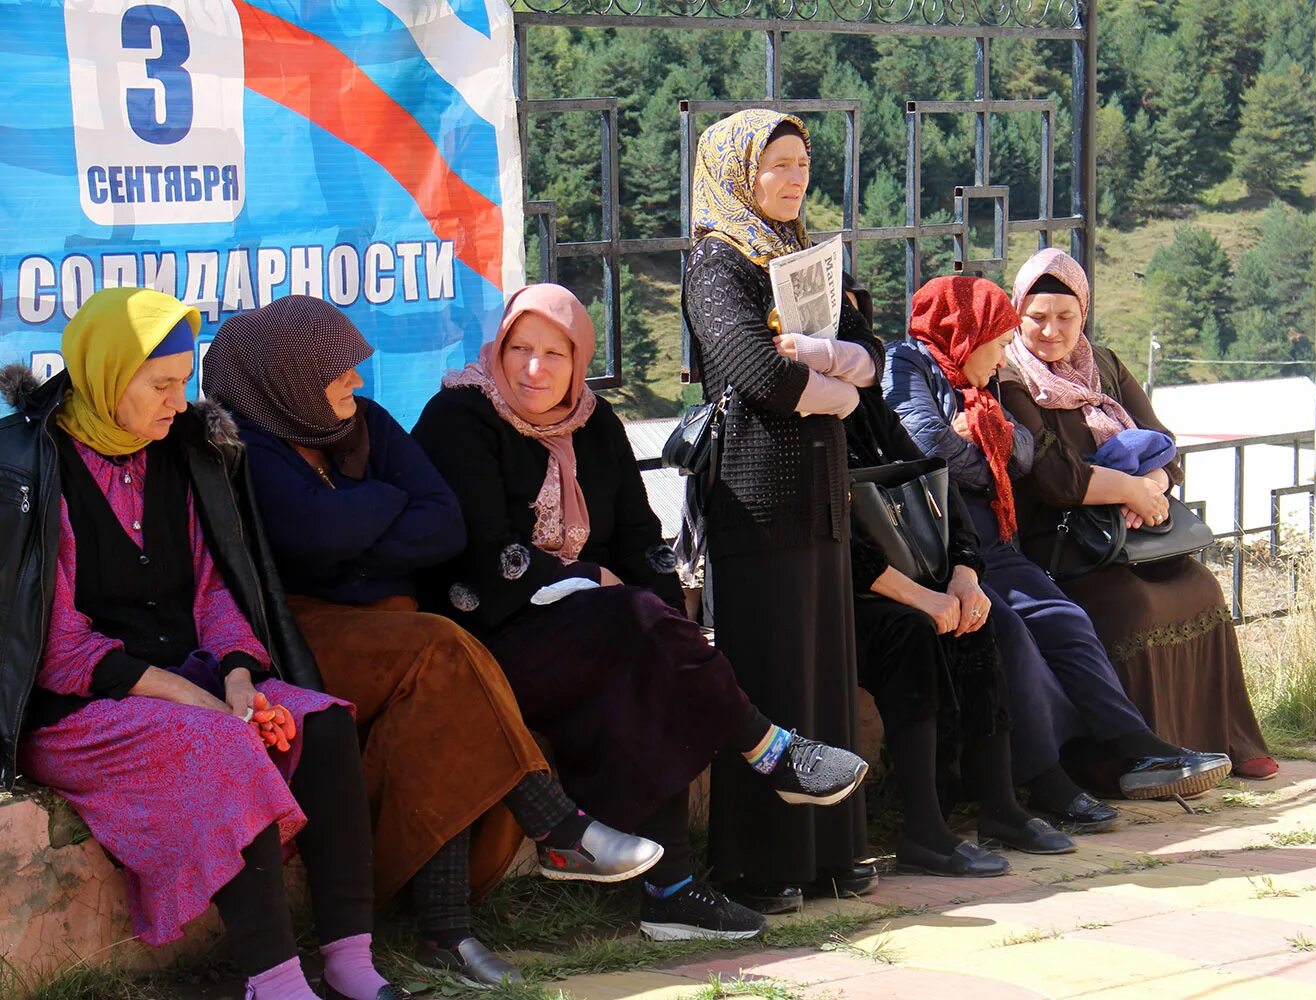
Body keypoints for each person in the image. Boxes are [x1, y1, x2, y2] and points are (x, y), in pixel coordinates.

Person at [200, 296, 663, 985]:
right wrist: (385, 510)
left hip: (395, 619)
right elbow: (311, 538)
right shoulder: (246, 446)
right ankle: (559, 827)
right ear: (290, 379)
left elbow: (442, 523)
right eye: (339, 374)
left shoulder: (366, 424)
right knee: (441, 649)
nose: (356, 385)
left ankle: (445, 936)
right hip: (306, 631)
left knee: (434, 708)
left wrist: (354, 531)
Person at [411, 283, 868, 941]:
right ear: (498, 348)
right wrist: (588, 581)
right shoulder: (460, 418)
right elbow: (480, 548)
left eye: (554, 355)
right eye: (519, 349)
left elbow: (639, 537)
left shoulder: (594, 425)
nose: (533, 370)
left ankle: (672, 893)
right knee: (638, 631)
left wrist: (640, 596)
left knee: (651, 648)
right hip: (489, 634)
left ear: (579, 362)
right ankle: (766, 758)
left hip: (594, 628)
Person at [0, 288, 406, 1000]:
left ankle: (350, 958)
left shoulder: (179, 452)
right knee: (218, 744)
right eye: (161, 384)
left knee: (324, 721)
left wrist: (241, 680)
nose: (178, 401)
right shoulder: (34, 464)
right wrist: (203, 704)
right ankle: (275, 982)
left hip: (190, 683)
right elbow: (58, 647)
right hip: (78, 709)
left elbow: (217, 592)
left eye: (184, 381)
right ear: (106, 376)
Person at [887, 275, 1240, 821]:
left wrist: (978, 437)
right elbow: (928, 443)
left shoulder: (978, 381)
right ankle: (1048, 780)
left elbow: (1021, 452)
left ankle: (1135, 745)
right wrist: (985, 448)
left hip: (989, 545)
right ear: (966, 332)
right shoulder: (908, 366)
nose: (1008, 354)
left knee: (1066, 620)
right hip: (942, 552)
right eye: (1001, 341)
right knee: (1015, 637)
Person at [683, 108, 884, 914]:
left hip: (819, 498)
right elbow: (751, 370)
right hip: (755, 497)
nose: (795, 177)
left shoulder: (804, 255)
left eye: (802, 163)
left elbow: (872, 354)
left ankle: (836, 851)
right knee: (771, 673)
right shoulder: (716, 259)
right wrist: (834, 390)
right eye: (778, 165)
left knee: (826, 672)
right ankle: (765, 864)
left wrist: (831, 372)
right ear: (739, 174)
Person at [997, 249, 1275, 779]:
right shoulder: (1011, 376)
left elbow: (1164, 445)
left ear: (1084, 313)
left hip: (1132, 530)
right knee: (1133, 603)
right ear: (1016, 313)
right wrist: (1133, 489)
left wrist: (1152, 486)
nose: (1051, 332)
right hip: (1062, 541)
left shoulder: (1103, 365)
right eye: (1036, 318)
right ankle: (1140, 754)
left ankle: (1225, 740)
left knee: (1201, 587)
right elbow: (1054, 478)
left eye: (1066, 317)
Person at [837, 383, 1075, 872]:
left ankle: (1000, 806)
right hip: (837, 597)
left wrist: (965, 576)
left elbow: (935, 484)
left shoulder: (868, 410)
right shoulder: (801, 422)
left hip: (907, 581)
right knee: (911, 632)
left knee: (975, 622)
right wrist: (921, 597)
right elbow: (832, 540)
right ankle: (924, 829)